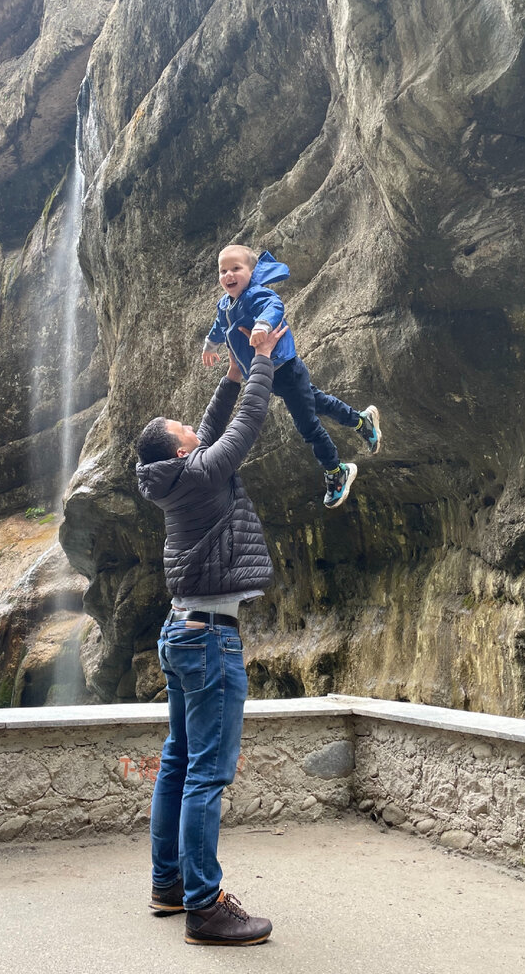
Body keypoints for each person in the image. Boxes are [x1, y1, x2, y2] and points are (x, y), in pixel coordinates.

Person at [136, 321, 289, 946]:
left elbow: (211, 428)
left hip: (181, 631)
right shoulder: (198, 473)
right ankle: (204, 906)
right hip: (209, 640)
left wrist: (227, 378)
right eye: (189, 434)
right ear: (180, 453)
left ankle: (168, 885)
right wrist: (261, 363)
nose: (198, 432)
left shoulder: (174, 476)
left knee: (176, 762)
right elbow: (244, 430)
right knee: (205, 774)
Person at [203, 245, 381, 508]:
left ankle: (336, 471)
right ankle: (361, 422)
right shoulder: (225, 304)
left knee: (307, 425)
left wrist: (262, 326)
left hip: (285, 368)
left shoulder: (256, 295)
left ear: (252, 272)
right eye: (223, 271)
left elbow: (273, 306)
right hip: (269, 374)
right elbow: (220, 325)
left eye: (236, 269)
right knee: (318, 401)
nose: (228, 275)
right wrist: (211, 343)